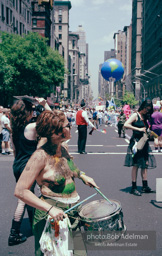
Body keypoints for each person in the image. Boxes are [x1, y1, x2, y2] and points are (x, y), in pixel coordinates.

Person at [14, 110, 99, 256]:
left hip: (73, 212)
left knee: (80, 253)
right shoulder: (39, 156)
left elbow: (70, 168)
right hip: (52, 216)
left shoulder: (63, 147)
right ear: (55, 132)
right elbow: (20, 191)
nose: (71, 126)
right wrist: (50, 209)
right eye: (67, 125)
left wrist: (82, 176)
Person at [8, 96, 51, 246]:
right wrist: (44, 105)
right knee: (23, 198)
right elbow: (53, 120)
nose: (33, 112)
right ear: (26, 111)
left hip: (17, 164)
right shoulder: (31, 127)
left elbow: (14, 149)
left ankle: (34, 223)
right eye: (31, 110)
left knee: (28, 195)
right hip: (28, 166)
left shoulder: (15, 128)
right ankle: (14, 233)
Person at [124, 99, 156, 196]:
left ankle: (145, 186)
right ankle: (133, 187)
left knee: (145, 164)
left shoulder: (145, 116)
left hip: (144, 142)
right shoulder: (135, 115)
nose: (147, 111)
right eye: (146, 109)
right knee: (136, 165)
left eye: (149, 109)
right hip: (136, 143)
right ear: (143, 107)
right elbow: (126, 124)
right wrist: (139, 129)